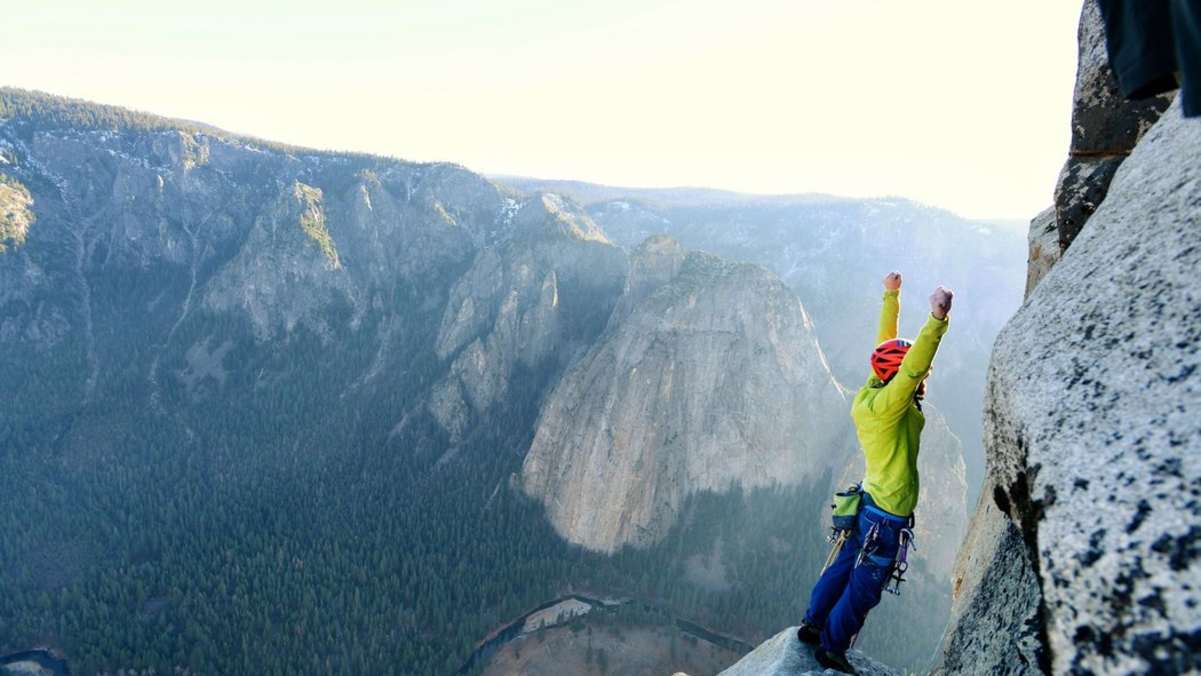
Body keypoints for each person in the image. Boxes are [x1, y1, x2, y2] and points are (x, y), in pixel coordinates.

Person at [796, 271, 953, 674]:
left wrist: (891, 295)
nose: (920, 383)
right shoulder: (892, 405)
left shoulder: (873, 388)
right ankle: (831, 648)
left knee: (846, 564)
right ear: (896, 377)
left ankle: (812, 625)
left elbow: (886, 348)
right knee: (864, 586)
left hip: (869, 503)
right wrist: (936, 320)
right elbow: (914, 368)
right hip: (886, 514)